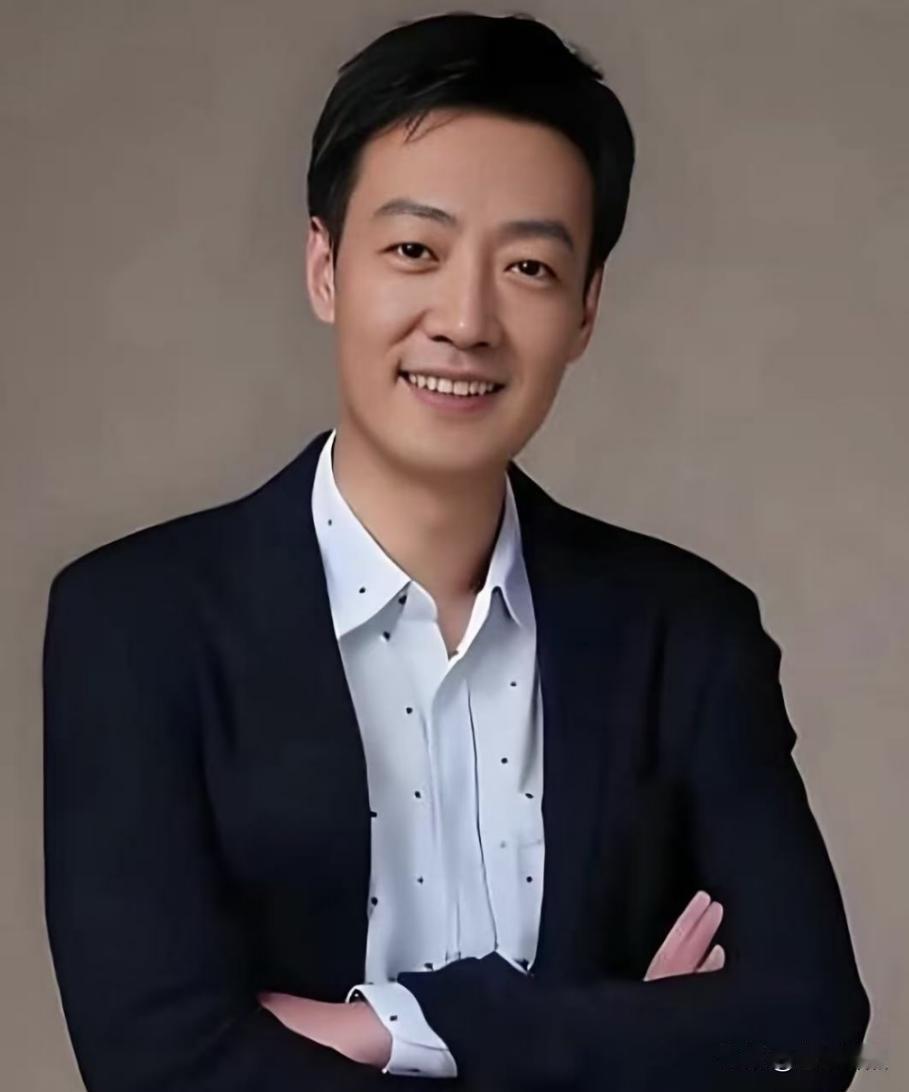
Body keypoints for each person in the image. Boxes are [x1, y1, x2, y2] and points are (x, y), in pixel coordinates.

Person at [42, 11, 870, 1092]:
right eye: (414, 251)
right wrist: (624, 1037)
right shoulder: (135, 625)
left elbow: (806, 1024)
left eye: (528, 266)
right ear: (325, 268)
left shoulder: (687, 634)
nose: (467, 320)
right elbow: (157, 1063)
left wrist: (397, 1030)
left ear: (585, 309)